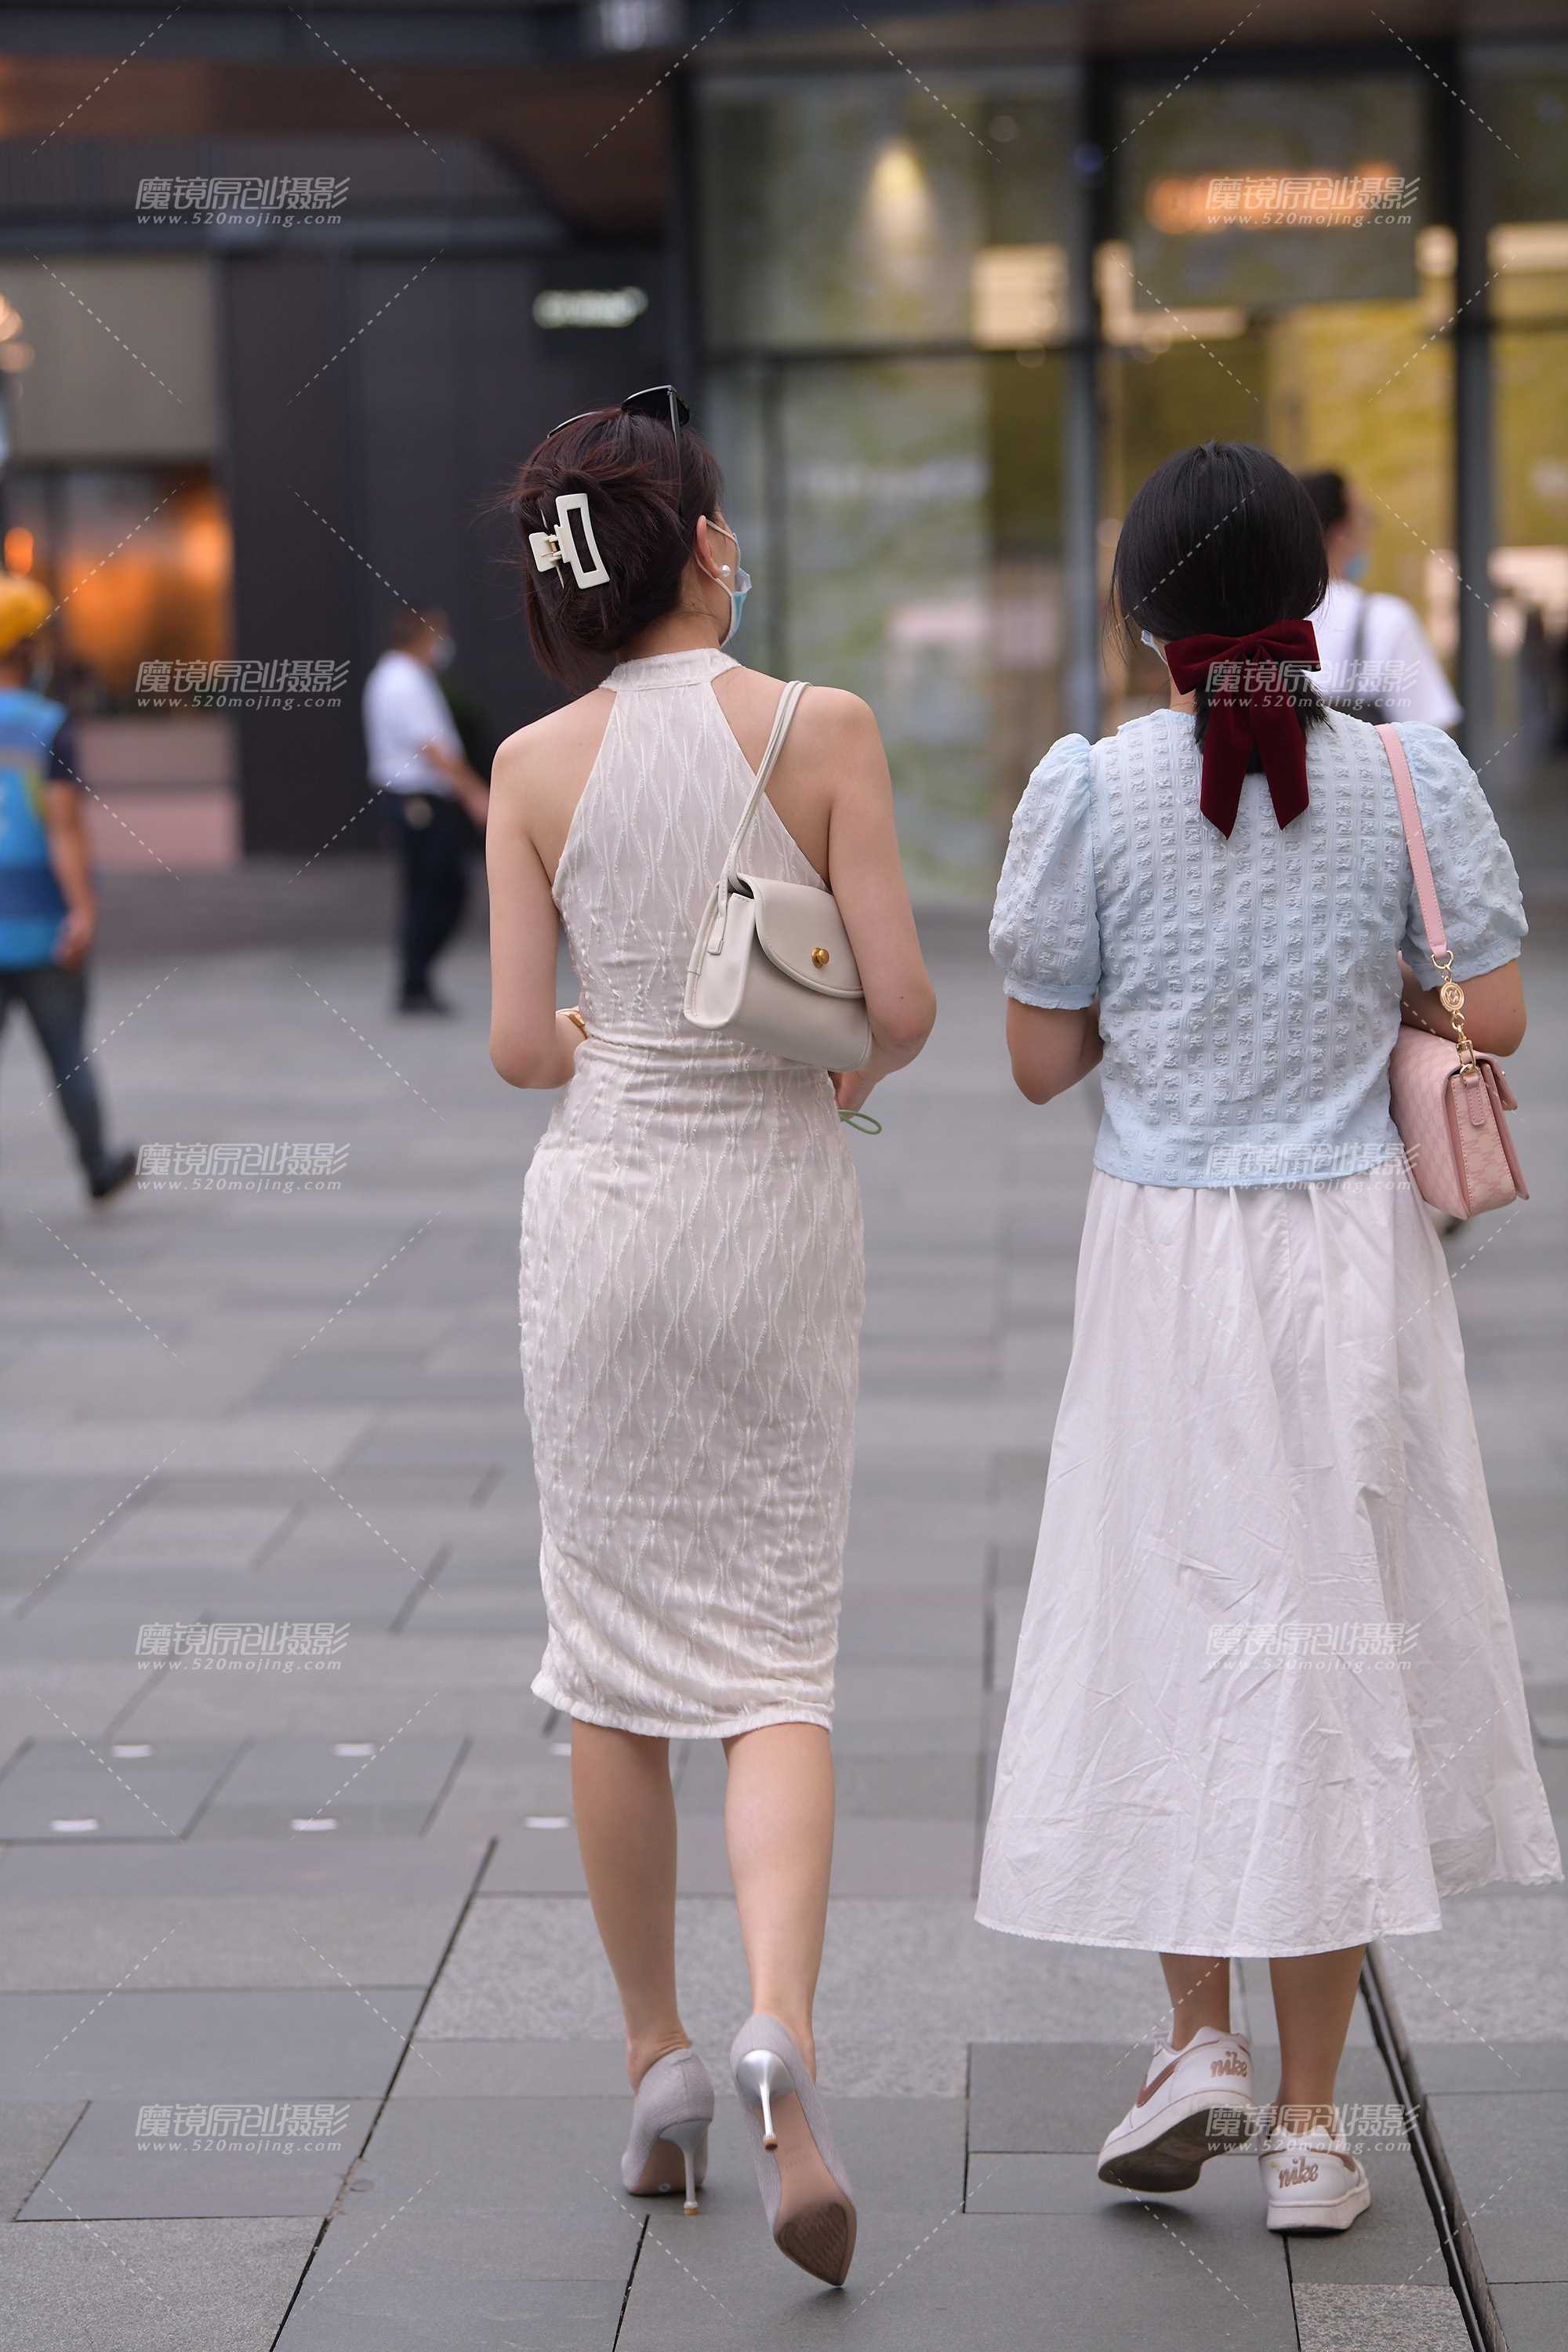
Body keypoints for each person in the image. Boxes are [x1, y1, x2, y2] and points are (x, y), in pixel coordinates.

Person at [977, 442, 1558, 2236]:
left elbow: (1037, 1056)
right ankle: (1309, 2128)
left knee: (1175, 1625)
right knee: (1333, 1655)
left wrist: (1171, 994)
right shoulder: (1400, 771)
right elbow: (1493, 1009)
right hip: (1350, 1255)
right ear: (1310, 590)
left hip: (1164, 1260)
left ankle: (1192, 2044)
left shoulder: (1092, 788)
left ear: (1140, 612)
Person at [485, 387, 935, 2286]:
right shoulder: (818, 726)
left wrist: (611, 1037)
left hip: (602, 1223)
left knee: (609, 1667)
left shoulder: (529, 763)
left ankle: (655, 2057)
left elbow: (520, 1045)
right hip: (770, 1217)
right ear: (702, 548)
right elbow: (897, 1007)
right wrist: (823, 1063)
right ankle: (779, 2027)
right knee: (772, 1657)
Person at [0, 575, 136, 1204]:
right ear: (28, 649)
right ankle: (98, 1165)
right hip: (42, 924)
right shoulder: (47, 724)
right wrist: (83, 910)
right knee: (68, 1055)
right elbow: (64, 828)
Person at [362, 606, 490, 1014]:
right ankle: (414, 982)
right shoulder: (402, 681)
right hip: (418, 801)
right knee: (436, 892)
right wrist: (475, 794)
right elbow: (434, 748)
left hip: (416, 799)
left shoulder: (403, 676)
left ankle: (416, 981)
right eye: (439, 636)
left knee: (430, 891)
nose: (443, 645)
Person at [1298, 467, 1461, 728]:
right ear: (1341, 534)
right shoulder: (1384, 619)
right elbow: (1430, 735)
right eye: (1364, 520)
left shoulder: (1262, 616)